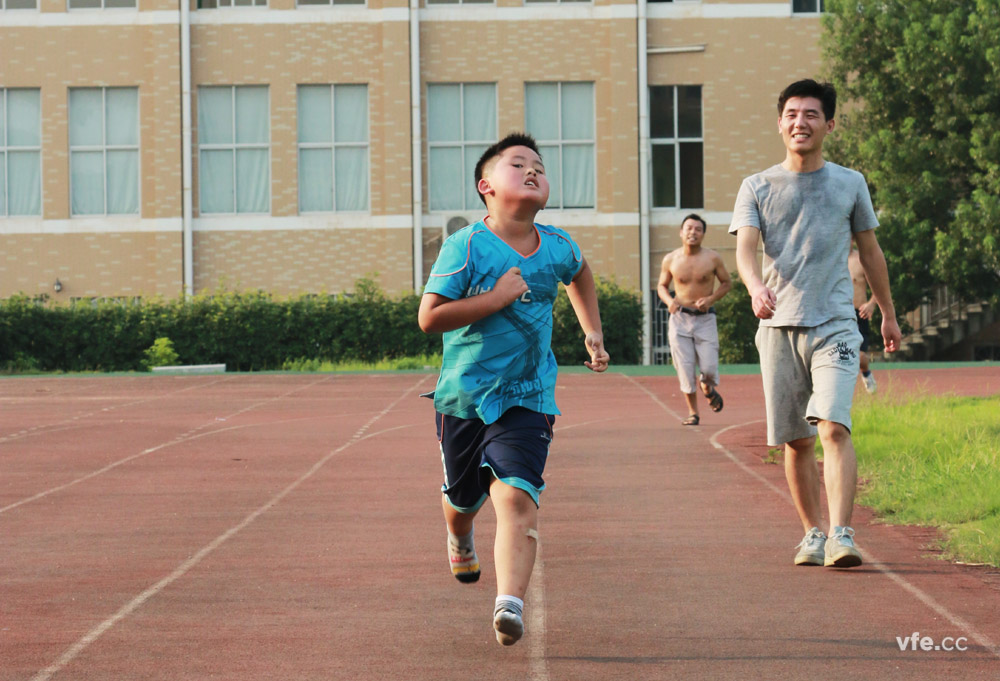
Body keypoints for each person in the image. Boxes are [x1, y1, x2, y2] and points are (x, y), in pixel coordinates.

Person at [417, 132, 609, 646]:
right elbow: (430, 317)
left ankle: (510, 603)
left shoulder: (558, 245)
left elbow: (580, 274)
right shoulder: (466, 245)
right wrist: (496, 297)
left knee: (517, 494)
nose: (531, 171)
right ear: (486, 186)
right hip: (463, 398)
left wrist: (591, 330)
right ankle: (459, 535)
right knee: (464, 499)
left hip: (528, 397)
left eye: (538, 167)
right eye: (517, 164)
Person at [729, 79, 901, 569]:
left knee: (833, 428)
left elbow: (870, 252)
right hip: (778, 328)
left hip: (835, 324)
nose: (799, 122)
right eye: (790, 113)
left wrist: (887, 314)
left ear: (829, 123)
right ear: (780, 122)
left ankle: (843, 534)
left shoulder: (850, 183)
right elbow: (744, 249)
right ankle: (812, 534)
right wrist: (754, 287)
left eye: (810, 114)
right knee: (797, 440)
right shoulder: (757, 186)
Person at [656, 214, 732, 425]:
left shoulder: (712, 258)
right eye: (689, 228)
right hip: (679, 318)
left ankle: (707, 386)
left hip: (705, 319)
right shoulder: (671, 259)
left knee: (708, 368)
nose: (693, 232)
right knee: (685, 367)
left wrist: (711, 298)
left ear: (703, 234)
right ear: (681, 232)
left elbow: (727, 283)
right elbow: (662, 285)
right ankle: (693, 412)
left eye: (698, 229)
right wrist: (668, 300)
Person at [848, 241, 878, 393]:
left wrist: (872, 303)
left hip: (859, 313)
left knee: (860, 357)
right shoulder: (832, 260)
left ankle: (866, 373)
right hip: (838, 314)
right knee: (840, 354)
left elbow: (878, 283)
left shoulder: (861, 260)